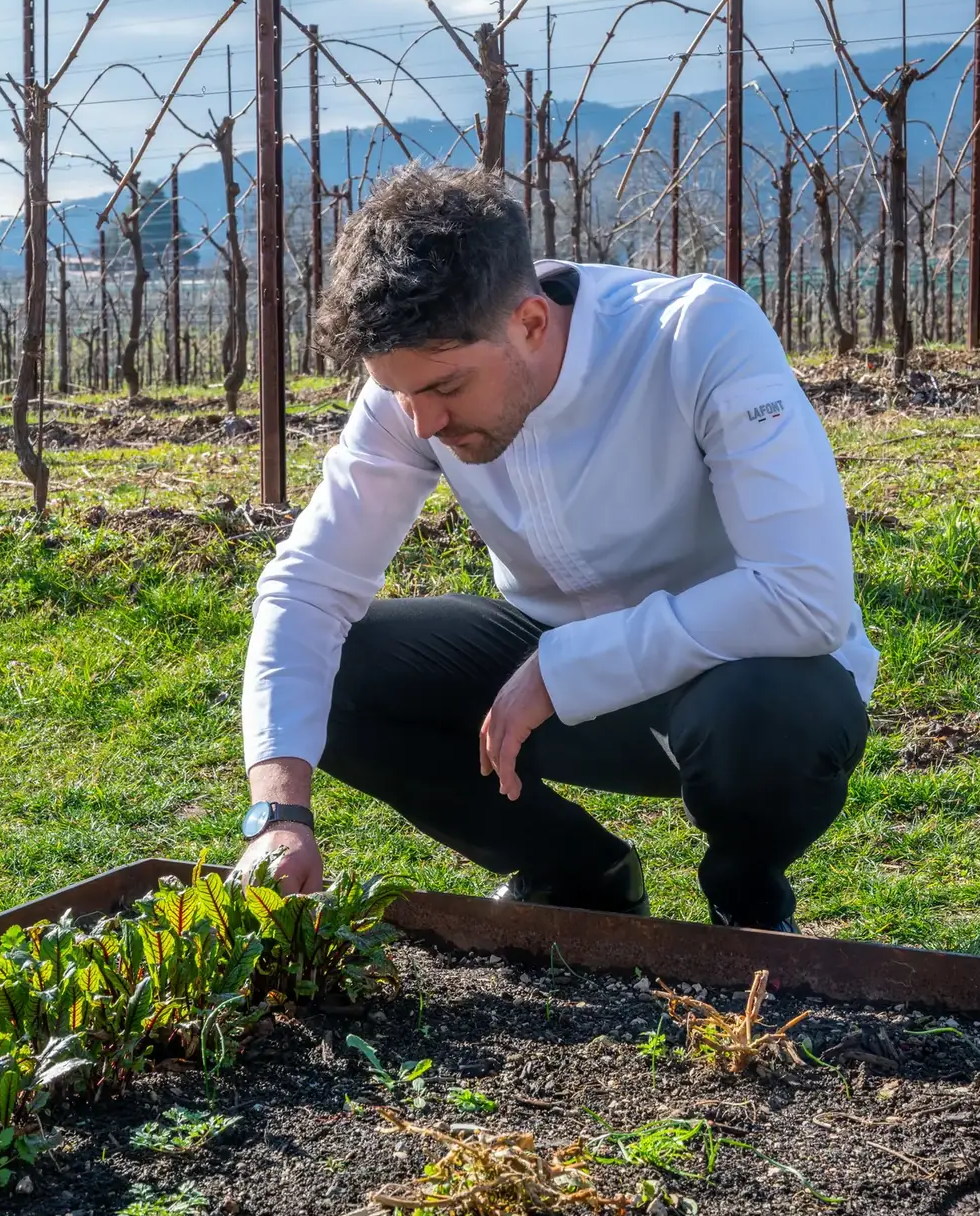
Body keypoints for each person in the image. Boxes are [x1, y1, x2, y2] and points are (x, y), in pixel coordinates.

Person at [236, 163, 877, 931]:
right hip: (554, 689)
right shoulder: (414, 395)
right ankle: (580, 877)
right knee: (340, 672)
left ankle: (748, 906)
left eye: (444, 389)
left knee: (775, 714)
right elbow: (308, 586)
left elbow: (804, 595)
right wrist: (278, 811)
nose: (423, 424)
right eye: (401, 394)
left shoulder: (696, 333)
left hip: (736, 684)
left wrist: (567, 666)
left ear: (531, 323)